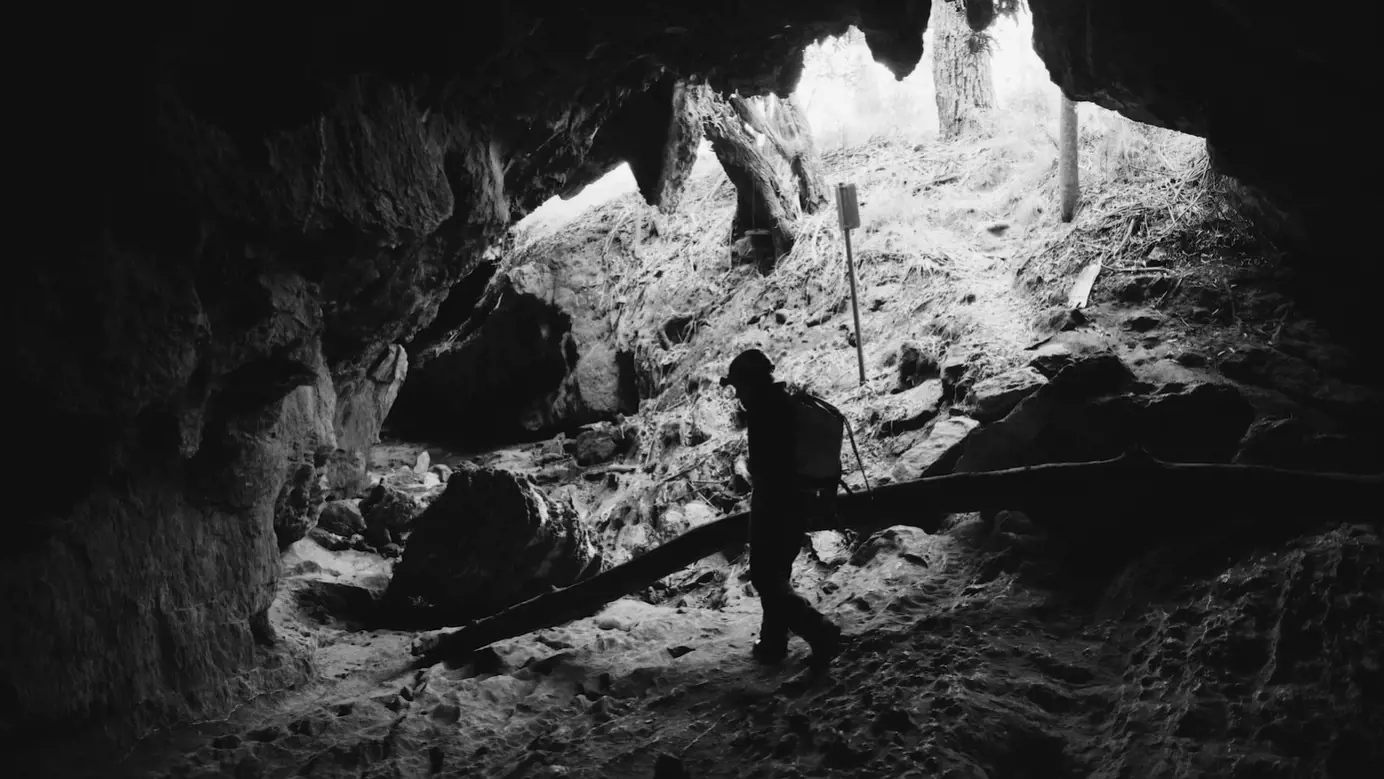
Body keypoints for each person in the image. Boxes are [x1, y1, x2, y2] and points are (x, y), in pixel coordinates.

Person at [720, 348, 842, 670]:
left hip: (775, 503)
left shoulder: (766, 411)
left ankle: (820, 630)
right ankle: (773, 642)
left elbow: (767, 468)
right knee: (777, 574)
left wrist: (749, 471)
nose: (738, 395)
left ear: (751, 383)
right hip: (796, 501)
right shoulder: (785, 403)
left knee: (764, 577)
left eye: (739, 387)